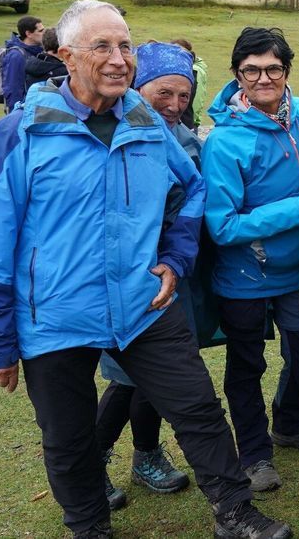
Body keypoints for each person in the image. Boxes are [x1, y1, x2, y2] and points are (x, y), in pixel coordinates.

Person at [0, 0, 291, 539]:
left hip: (142, 303)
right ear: (66, 56)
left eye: (126, 46)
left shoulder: (145, 124)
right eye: (102, 47)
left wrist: (176, 259)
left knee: (199, 409)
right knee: (68, 438)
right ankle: (91, 529)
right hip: (54, 316)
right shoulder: (20, 134)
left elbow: (192, 190)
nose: (119, 59)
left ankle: (236, 513)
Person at [202, 27, 299, 493]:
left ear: (286, 70)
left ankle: (289, 423)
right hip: (244, 279)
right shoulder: (224, 143)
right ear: (237, 75)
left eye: (273, 68)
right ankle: (256, 454)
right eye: (251, 70)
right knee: (246, 368)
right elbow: (222, 226)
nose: (263, 78)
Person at [93, 41, 200, 510]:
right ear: (137, 88)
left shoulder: (188, 140)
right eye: (163, 94)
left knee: (157, 377)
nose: (174, 106)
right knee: (126, 377)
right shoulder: (110, 134)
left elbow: (192, 207)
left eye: (183, 96)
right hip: (124, 278)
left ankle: (146, 455)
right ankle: (89, 464)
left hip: (173, 274)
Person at [1, 15, 45, 112]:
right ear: (28, 33)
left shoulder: (39, 51)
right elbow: (13, 88)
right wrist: (16, 114)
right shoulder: (16, 56)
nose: (44, 33)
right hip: (23, 111)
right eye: (40, 31)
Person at [172, 38, 209, 133]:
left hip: (187, 122)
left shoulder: (194, 71)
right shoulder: (178, 69)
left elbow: (197, 98)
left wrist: (195, 120)